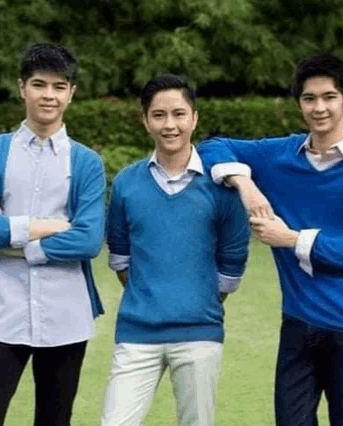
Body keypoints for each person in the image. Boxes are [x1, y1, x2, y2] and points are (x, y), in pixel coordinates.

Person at [197, 54, 343, 426]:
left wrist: (290, 239)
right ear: (299, 103)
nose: (319, 108)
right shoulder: (280, 154)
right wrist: (247, 185)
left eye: (329, 97)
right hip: (299, 323)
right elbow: (212, 146)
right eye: (309, 98)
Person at [0, 42, 106, 426]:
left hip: (66, 313)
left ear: (71, 93)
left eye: (59, 87)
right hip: (1, 310)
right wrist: (52, 227)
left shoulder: (87, 162)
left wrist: (13, 239)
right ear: (22, 87)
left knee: (55, 420)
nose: (49, 95)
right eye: (40, 84)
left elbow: (89, 241)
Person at [101, 74, 250, 426]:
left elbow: (232, 263)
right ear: (145, 121)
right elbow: (120, 256)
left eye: (179, 114)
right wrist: (153, 298)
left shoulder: (222, 188)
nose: (170, 125)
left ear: (194, 118)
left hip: (200, 334)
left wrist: (195, 302)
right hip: (137, 333)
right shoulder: (126, 183)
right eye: (159, 115)